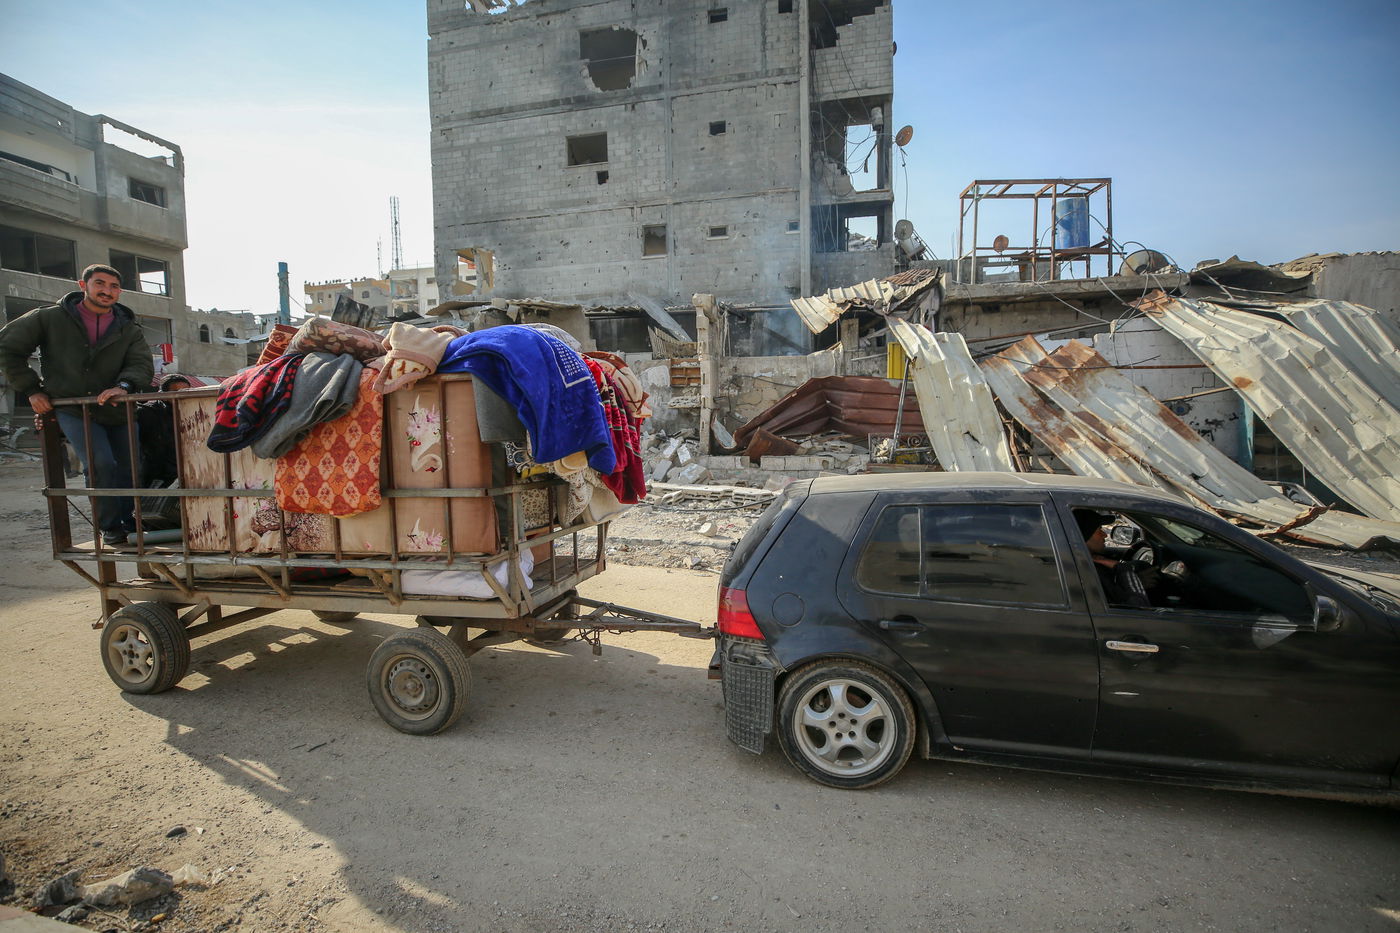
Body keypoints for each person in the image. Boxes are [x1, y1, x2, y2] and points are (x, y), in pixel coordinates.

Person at [0, 264, 154, 545]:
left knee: (131, 467)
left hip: (118, 407)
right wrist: (32, 390)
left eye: (114, 286)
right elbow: (8, 347)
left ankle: (129, 521)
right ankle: (110, 527)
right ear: (83, 286)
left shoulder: (128, 327)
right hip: (73, 406)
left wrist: (123, 386)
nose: (107, 291)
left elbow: (141, 363)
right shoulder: (49, 318)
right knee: (101, 463)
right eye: (100, 284)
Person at [1074, 509, 1151, 609]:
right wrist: (1123, 569)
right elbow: (1139, 607)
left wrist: (1140, 581)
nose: (1105, 534)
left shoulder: (1083, 563)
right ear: (1084, 534)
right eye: (1099, 530)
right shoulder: (1090, 571)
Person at [137, 373, 190, 488]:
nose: (181, 395)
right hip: (157, 474)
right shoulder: (147, 412)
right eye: (176, 391)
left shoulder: (193, 411)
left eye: (186, 391)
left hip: (185, 470)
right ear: (163, 394)